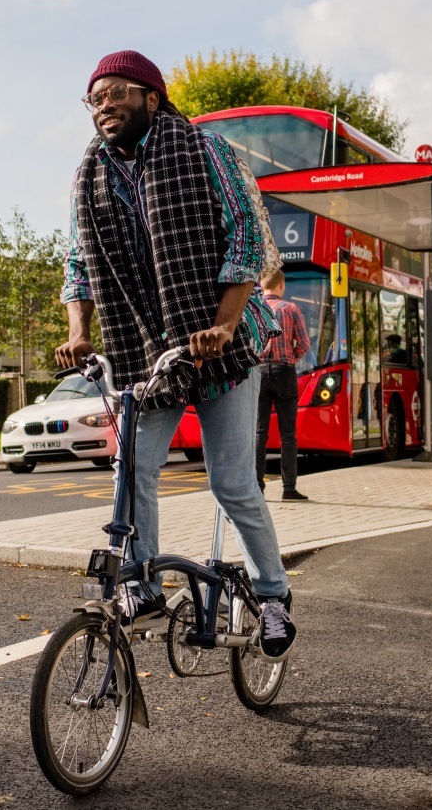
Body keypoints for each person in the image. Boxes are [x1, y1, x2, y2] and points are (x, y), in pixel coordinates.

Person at [54, 50, 295, 659]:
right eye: (96, 97)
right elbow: (80, 263)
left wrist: (223, 323)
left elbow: (245, 233)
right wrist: (79, 331)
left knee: (232, 482)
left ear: (151, 99)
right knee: (132, 467)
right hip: (147, 349)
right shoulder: (89, 176)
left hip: (222, 339)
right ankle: (143, 584)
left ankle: (272, 595)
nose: (105, 105)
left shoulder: (203, 150)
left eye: (117, 93)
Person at [255, 269, 312, 501]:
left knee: (259, 434)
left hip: (258, 373)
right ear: (281, 285)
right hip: (284, 372)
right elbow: (305, 344)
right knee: (288, 434)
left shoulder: (254, 308)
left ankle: (257, 488)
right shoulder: (291, 309)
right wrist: (291, 357)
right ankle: (289, 488)